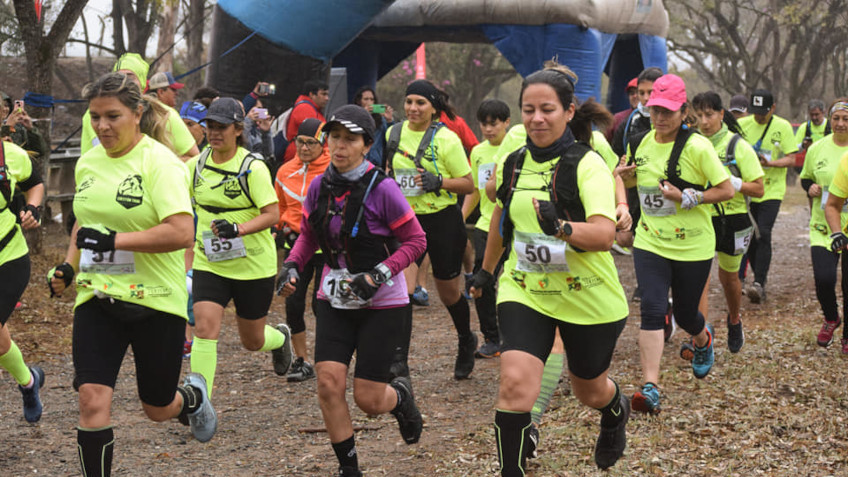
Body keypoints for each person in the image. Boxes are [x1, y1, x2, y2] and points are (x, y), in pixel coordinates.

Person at [48, 72, 216, 477]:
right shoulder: (87, 162)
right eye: (94, 117)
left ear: (137, 113)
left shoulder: (161, 163)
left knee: (157, 408)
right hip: (98, 297)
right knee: (91, 400)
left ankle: (191, 398)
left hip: (155, 300)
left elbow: (182, 231)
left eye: (112, 116)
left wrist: (116, 241)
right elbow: (84, 225)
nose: (102, 126)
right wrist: (69, 265)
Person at [468, 61, 630, 474]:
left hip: (587, 294)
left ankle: (615, 412)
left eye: (547, 109)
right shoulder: (514, 161)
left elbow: (603, 235)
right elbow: (502, 222)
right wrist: (486, 272)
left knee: (589, 391)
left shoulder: (587, 164)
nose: (537, 118)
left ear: (569, 111)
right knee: (515, 382)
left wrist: (560, 227)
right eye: (528, 110)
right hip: (526, 288)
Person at [278, 105, 427, 477]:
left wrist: (379, 273)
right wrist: (293, 264)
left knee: (369, 400)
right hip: (335, 297)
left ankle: (400, 398)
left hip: (382, 303)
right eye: (335, 138)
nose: (340, 146)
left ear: (366, 145)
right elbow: (310, 234)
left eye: (350, 139)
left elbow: (416, 241)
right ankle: (349, 468)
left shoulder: (384, 189)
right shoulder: (318, 187)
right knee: (328, 383)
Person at [617, 74, 734, 414]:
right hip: (651, 241)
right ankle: (650, 386)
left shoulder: (698, 147)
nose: (660, 117)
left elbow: (726, 189)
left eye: (668, 111)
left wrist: (689, 196)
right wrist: (623, 206)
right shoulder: (638, 142)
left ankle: (703, 339)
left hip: (693, 245)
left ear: (684, 112)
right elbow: (621, 176)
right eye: (655, 109)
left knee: (685, 313)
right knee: (652, 308)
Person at [188, 97, 294, 400]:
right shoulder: (197, 165)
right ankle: (200, 403)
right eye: (210, 126)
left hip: (252, 265)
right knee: (205, 330)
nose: (215, 133)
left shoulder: (252, 167)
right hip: (210, 262)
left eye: (222, 127)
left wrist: (238, 229)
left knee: (252, 340)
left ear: (238, 129)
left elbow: (273, 214)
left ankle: (280, 338)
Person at [384, 79, 476, 380]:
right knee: (403, 291)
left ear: (433, 108)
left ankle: (466, 339)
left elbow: (468, 183)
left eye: (420, 103)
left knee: (449, 292)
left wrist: (439, 182)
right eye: (409, 101)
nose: (413, 108)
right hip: (406, 220)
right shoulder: (392, 133)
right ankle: (399, 361)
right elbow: (388, 171)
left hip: (442, 219)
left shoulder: (446, 139)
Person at [691, 91, 764, 354]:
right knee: (699, 277)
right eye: (698, 115)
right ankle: (701, 334)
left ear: (722, 114)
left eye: (709, 114)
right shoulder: (691, 142)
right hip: (699, 216)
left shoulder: (738, 146)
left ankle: (734, 320)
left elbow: (759, 189)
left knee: (728, 277)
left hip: (732, 219)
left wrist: (734, 183)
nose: (704, 121)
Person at [274, 118, 331, 381]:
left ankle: (329, 358)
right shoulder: (285, 171)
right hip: (296, 245)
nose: (305, 148)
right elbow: (279, 207)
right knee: (294, 303)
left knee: (324, 304)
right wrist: (282, 225)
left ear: (323, 144)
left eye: (311, 143)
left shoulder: (334, 168)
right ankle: (301, 360)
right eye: (300, 142)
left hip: (328, 247)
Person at [0, 134, 45, 423]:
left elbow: (35, 184)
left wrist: (33, 207)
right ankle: (29, 381)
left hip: (9, 257)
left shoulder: (11, 155)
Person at [737, 89, 798, 303]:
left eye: (763, 112)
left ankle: (759, 283)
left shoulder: (782, 127)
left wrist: (770, 163)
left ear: (772, 108)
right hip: (748, 189)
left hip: (772, 190)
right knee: (750, 237)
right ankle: (756, 280)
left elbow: (791, 159)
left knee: (763, 232)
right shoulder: (743, 125)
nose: (758, 116)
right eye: (755, 112)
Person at [80, 54, 199, 162]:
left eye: (130, 77)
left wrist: (160, 165)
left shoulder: (165, 114)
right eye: (118, 77)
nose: (124, 82)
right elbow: (98, 159)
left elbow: (194, 158)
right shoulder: (91, 114)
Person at [461, 99, 510, 358]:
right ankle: (492, 338)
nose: (489, 129)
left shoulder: (517, 149)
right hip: (484, 226)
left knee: (514, 280)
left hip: (511, 226)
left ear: (507, 123)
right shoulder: (478, 151)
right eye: (484, 124)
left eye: (495, 124)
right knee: (482, 281)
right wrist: (461, 215)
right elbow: (477, 192)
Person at [803, 98, 848, 352]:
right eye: (836, 119)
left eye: (845, 119)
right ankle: (831, 317)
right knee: (824, 279)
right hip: (823, 226)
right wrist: (809, 187)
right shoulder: (817, 148)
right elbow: (806, 178)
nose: (840, 124)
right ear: (830, 121)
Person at [283, 80, 329, 162]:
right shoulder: (305, 108)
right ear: (311, 94)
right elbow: (315, 135)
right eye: (323, 94)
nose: (327, 98)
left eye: (327, 95)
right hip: (301, 156)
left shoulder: (312, 108)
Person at [353, 86, 394, 168]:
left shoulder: (380, 120)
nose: (369, 102)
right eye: (366, 99)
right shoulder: (354, 116)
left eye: (372, 99)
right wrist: (364, 115)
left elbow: (390, 138)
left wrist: (389, 121)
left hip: (376, 164)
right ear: (359, 101)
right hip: (357, 162)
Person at [606, 77, 639, 141]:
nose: (635, 96)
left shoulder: (652, 119)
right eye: (632, 93)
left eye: (638, 92)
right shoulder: (618, 118)